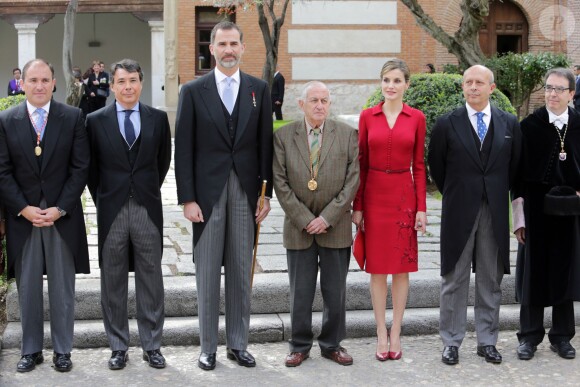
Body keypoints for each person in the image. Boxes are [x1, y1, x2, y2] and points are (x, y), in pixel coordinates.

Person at [174, 21, 273, 371]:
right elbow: (183, 148)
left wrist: (266, 195)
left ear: (243, 48)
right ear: (212, 48)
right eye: (222, 44)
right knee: (206, 274)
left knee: (240, 268)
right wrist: (187, 198)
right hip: (206, 195)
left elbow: (265, 147)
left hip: (246, 192)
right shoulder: (192, 90)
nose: (228, 49)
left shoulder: (257, 89)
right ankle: (207, 348)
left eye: (234, 43)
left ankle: (238, 343)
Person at [0, 59, 90, 372]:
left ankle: (63, 350)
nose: (39, 86)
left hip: (60, 217)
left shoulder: (73, 117)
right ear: (21, 83)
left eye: (45, 80)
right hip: (23, 219)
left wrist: (59, 207)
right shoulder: (6, 120)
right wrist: (23, 209)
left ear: (54, 84)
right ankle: (31, 350)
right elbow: (2, 171)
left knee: (63, 289)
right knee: (27, 289)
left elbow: (80, 168)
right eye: (33, 80)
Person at [428, 64, 521, 365]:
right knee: (453, 278)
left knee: (490, 279)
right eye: (468, 82)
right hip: (458, 211)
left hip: (494, 211)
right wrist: (458, 192)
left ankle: (487, 340)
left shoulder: (509, 124)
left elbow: (515, 168)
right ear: (463, 87)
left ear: (492, 88)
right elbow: (437, 167)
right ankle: (451, 341)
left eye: (479, 82)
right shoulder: (447, 123)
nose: (473, 87)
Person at [86, 59, 171, 370]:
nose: (127, 87)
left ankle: (152, 345)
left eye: (133, 80)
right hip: (112, 209)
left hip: (147, 208)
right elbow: (91, 171)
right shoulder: (94, 121)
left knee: (152, 278)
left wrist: (144, 189)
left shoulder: (158, 119)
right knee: (112, 280)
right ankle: (118, 346)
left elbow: (162, 162)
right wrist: (106, 198)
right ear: (112, 86)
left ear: (141, 82)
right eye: (121, 81)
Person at [273, 81, 359, 367]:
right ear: (302, 104)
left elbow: (352, 181)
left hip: (335, 227)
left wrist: (327, 217)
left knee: (336, 292)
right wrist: (306, 219)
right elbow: (280, 183)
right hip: (299, 228)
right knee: (300, 292)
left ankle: (332, 344)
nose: (320, 105)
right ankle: (299, 345)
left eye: (324, 100)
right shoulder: (284, 136)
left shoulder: (347, 135)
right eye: (314, 100)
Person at [352, 59, 427, 362]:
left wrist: (421, 208)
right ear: (380, 83)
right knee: (378, 268)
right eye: (386, 80)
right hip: (373, 196)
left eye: (397, 80)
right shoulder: (367, 116)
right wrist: (357, 206)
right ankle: (380, 333)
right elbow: (360, 162)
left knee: (400, 267)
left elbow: (420, 166)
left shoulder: (417, 117)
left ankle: (396, 331)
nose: (391, 86)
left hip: (403, 196)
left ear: (407, 84)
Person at [512, 68, 580, 361]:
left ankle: (562, 336)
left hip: (572, 213)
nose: (552, 94)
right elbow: (516, 177)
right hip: (537, 212)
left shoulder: (579, 125)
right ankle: (529, 336)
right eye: (548, 88)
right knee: (533, 275)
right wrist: (519, 219)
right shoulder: (529, 126)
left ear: (571, 94)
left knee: (565, 273)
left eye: (559, 89)